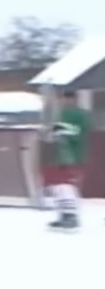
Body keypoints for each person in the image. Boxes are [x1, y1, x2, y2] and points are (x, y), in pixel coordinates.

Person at [45, 89, 92, 230]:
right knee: (59, 187)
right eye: (63, 99)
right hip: (62, 156)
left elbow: (79, 132)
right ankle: (63, 214)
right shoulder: (61, 114)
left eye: (68, 98)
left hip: (75, 156)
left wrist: (61, 129)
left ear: (74, 99)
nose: (65, 101)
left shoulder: (81, 115)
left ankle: (71, 216)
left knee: (68, 187)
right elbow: (55, 134)